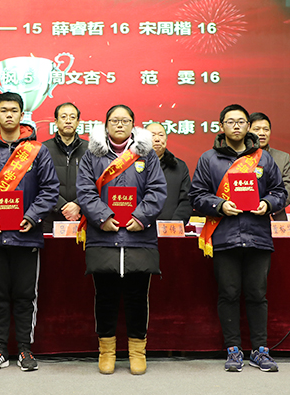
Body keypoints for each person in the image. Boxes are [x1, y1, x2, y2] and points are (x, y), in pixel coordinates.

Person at [0, 92, 58, 373]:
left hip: (27, 235)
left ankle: (25, 349)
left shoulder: (37, 151)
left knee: (25, 295)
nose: (9, 115)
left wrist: (32, 216)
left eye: (14, 110)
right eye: (3, 110)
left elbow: (49, 190)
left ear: (21, 114)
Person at [189, 104, 286, 373]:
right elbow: (196, 195)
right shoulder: (209, 159)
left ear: (248, 126)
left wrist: (268, 204)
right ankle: (233, 349)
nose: (236, 126)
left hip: (257, 236)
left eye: (241, 121)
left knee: (257, 294)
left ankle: (260, 350)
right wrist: (219, 205)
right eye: (230, 121)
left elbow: (280, 191)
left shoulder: (264, 159)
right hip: (224, 235)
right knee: (228, 293)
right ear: (221, 126)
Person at [77, 106, 166, 375]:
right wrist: (102, 216)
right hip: (103, 236)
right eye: (114, 120)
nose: (119, 124)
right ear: (105, 125)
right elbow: (85, 191)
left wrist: (141, 217)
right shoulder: (92, 155)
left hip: (139, 237)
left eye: (125, 120)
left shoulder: (146, 155)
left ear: (133, 125)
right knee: (105, 297)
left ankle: (138, 351)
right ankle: (107, 352)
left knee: (137, 297)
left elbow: (157, 190)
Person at [42, 102, 88, 232]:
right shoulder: (43, 149)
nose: (68, 121)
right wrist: (62, 206)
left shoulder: (90, 150)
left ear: (78, 122)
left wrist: (77, 204)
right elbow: (39, 183)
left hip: (83, 217)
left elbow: (95, 183)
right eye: (63, 117)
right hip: (50, 216)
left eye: (72, 117)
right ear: (56, 122)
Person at [249, 112, 290, 220]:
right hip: (246, 216)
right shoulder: (240, 157)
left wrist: (270, 205)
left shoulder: (282, 157)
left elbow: (289, 189)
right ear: (247, 131)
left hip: (275, 216)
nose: (262, 133)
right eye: (256, 129)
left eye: (266, 129)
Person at [145, 122, 191, 223]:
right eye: (152, 135)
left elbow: (186, 201)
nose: (157, 139)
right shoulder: (134, 165)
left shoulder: (179, 166)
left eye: (161, 135)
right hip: (139, 227)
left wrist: (175, 223)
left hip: (171, 228)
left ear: (166, 139)